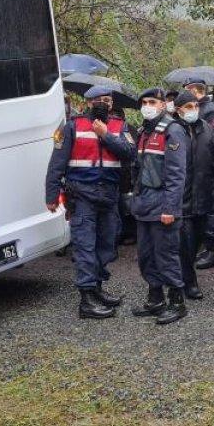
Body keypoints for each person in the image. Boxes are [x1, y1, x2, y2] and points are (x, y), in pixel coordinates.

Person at [44, 85, 135, 319]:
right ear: (88, 103)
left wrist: (105, 135)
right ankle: (86, 300)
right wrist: (51, 194)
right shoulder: (72, 126)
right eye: (99, 100)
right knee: (85, 246)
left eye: (108, 100)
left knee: (107, 244)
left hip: (109, 195)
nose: (104, 104)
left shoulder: (119, 126)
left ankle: (97, 289)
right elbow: (57, 163)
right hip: (82, 195)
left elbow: (129, 153)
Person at [129, 88, 190, 325]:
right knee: (146, 256)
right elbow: (139, 170)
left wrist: (170, 209)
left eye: (152, 101)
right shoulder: (145, 131)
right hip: (144, 204)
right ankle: (155, 298)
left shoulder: (172, 131)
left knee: (166, 255)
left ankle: (177, 301)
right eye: (144, 102)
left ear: (163, 104)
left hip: (162, 205)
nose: (147, 105)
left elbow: (177, 175)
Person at [175, 95, 214, 300]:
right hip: (181, 198)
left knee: (198, 240)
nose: (193, 110)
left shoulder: (207, 129)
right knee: (185, 244)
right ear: (179, 109)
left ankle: (182, 277)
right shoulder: (173, 131)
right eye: (188, 106)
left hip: (204, 197)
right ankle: (188, 283)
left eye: (196, 106)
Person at [181, 78, 214, 269]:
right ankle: (203, 247)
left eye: (186, 91)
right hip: (196, 170)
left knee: (210, 213)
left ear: (194, 90)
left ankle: (212, 250)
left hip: (207, 170)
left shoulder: (210, 111)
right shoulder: (198, 109)